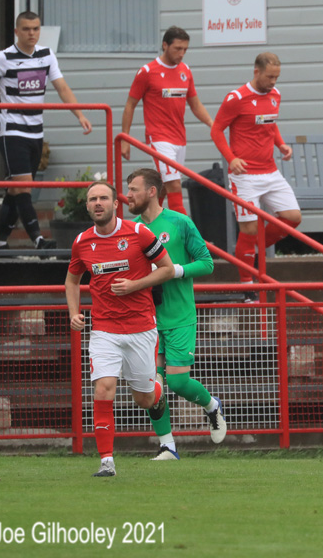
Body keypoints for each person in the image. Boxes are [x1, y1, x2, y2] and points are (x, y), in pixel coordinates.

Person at [64, 181, 175, 477]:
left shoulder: (138, 233)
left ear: (116, 204)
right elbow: (72, 280)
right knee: (103, 389)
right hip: (104, 330)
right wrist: (74, 313)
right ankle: (107, 462)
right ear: (87, 206)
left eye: (103, 198)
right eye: (92, 199)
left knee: (144, 400)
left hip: (141, 327)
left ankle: (157, 386)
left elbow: (167, 268)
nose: (97, 203)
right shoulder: (81, 242)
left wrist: (135, 285)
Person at [0, 11, 93, 250]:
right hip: (10, 130)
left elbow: (62, 87)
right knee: (24, 186)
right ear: (16, 31)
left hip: (36, 131)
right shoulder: (2, 58)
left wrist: (80, 115)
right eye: (26, 29)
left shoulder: (46, 55)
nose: (31, 33)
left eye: (35, 29)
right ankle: (38, 240)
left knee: (16, 189)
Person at [126, 168, 226, 460]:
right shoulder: (130, 229)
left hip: (179, 314)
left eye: (133, 189)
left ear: (152, 192)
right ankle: (167, 444)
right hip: (144, 318)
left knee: (178, 382)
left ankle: (211, 406)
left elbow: (207, 263)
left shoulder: (180, 223)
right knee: (151, 387)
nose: (128, 195)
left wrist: (172, 271)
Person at [211, 52, 300, 303]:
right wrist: (232, 159)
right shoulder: (236, 98)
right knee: (248, 230)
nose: (273, 82)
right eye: (270, 76)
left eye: (277, 77)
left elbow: (270, 125)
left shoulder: (276, 95)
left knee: (293, 217)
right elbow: (216, 130)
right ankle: (247, 285)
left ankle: (254, 249)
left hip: (270, 170)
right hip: (244, 175)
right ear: (256, 72)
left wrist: (281, 145)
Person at [122, 27, 213, 215]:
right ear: (165, 45)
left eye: (185, 50)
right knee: (175, 187)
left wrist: (213, 125)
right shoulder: (147, 71)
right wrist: (125, 138)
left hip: (179, 139)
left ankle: (148, 227)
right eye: (177, 48)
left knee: (162, 187)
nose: (181, 54)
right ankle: (188, 238)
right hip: (159, 137)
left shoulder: (185, 71)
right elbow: (130, 104)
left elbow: (195, 105)